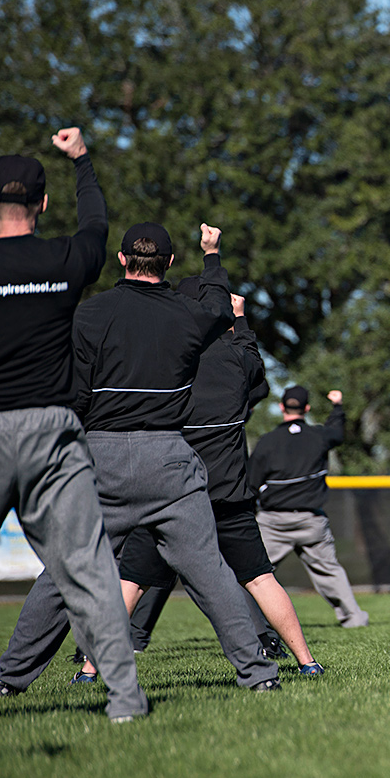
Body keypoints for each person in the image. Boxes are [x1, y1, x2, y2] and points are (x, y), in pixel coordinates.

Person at [0, 221, 279, 695]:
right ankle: (260, 675)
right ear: (166, 264)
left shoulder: (89, 314)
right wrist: (211, 255)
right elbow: (219, 305)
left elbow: (72, 394)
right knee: (211, 575)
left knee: (65, 574)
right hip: (169, 459)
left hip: (101, 459)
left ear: (122, 260)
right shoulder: (189, 315)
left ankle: (7, 679)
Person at [0, 130, 146, 778]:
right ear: (40, 201)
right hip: (50, 435)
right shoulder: (65, 258)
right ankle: (125, 702)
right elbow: (98, 223)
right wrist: (83, 159)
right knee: (88, 568)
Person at [77, 287, 323, 678]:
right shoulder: (234, 362)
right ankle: (308, 663)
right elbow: (257, 375)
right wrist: (240, 323)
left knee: (131, 582)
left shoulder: (169, 361)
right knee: (260, 579)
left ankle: (91, 668)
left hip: (171, 492)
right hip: (228, 493)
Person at [249, 386, 369, 628]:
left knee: (252, 574)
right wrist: (337, 407)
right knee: (329, 572)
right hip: (310, 520)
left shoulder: (268, 441)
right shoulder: (318, 435)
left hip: (273, 522)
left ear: (282, 407)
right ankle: (354, 618)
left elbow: (251, 484)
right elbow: (337, 433)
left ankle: (245, 622)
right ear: (307, 408)